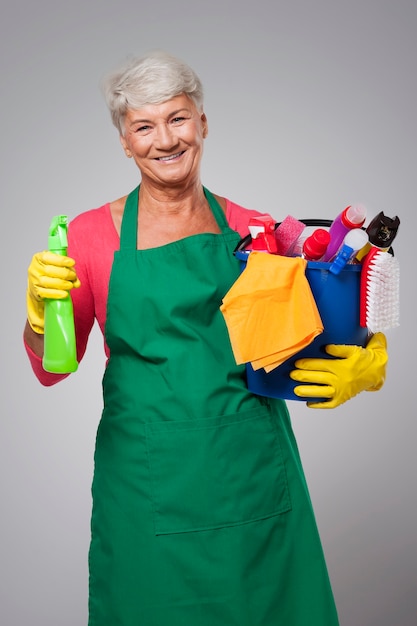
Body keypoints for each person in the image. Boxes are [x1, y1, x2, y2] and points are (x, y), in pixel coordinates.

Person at [24, 50, 388, 625]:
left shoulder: (258, 231)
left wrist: (368, 362)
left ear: (203, 123)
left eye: (178, 118)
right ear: (125, 141)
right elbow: (52, 367)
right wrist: (42, 317)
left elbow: (323, 333)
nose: (164, 139)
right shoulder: (89, 236)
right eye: (143, 126)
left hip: (252, 478)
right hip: (145, 487)